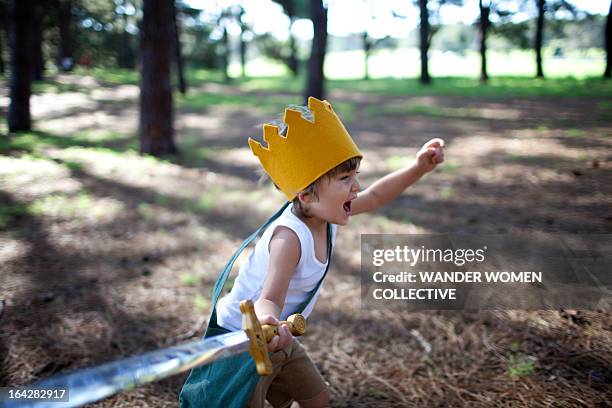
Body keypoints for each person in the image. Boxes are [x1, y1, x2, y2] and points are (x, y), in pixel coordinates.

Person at [180, 97, 444, 408]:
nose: (357, 186)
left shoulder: (326, 213)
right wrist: (268, 321)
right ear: (307, 194)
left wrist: (418, 168)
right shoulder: (289, 238)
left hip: (281, 337)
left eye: (355, 175)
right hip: (245, 340)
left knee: (318, 399)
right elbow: (269, 298)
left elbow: (375, 196)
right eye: (345, 179)